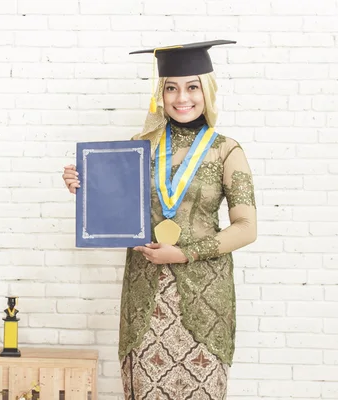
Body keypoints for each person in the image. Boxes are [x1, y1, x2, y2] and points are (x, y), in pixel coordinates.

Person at [61, 40, 257, 399]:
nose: (182, 97)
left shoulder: (227, 149)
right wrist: (84, 186)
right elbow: (118, 209)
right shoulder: (141, 146)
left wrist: (184, 254)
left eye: (192, 86)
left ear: (207, 90)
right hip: (145, 294)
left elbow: (247, 228)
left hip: (204, 298)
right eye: (171, 87)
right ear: (160, 94)